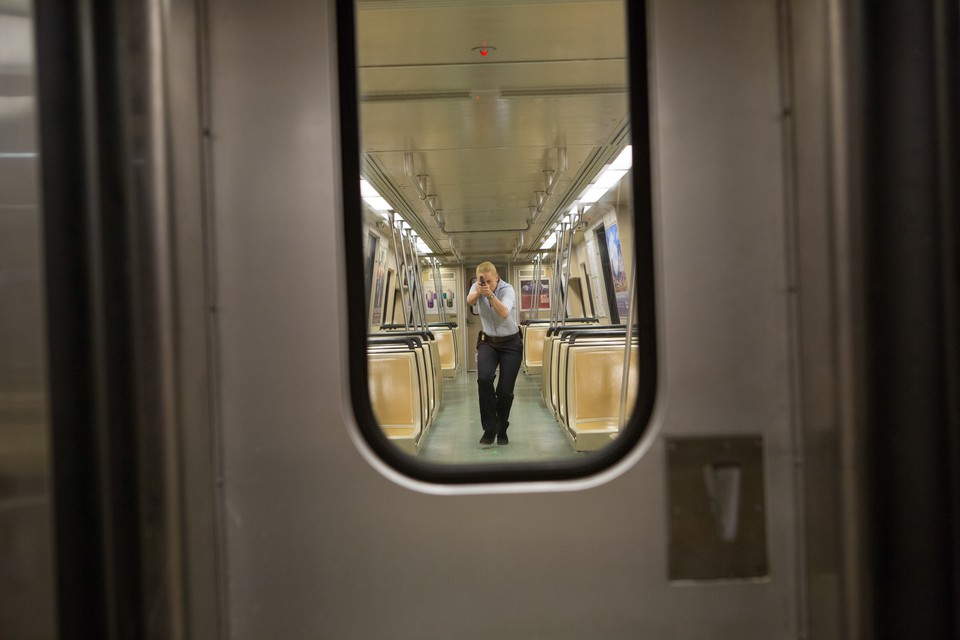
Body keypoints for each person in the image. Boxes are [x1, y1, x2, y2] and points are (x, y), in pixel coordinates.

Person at [465, 262, 522, 445]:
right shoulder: (477, 286)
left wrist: (489, 294)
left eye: (489, 281)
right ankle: (490, 429)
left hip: (511, 344)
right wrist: (478, 291)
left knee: (505, 391)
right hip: (488, 342)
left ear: (497, 277)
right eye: (483, 281)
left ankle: (502, 426)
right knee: (483, 379)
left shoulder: (507, 290)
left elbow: (504, 313)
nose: (486, 284)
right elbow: (470, 301)